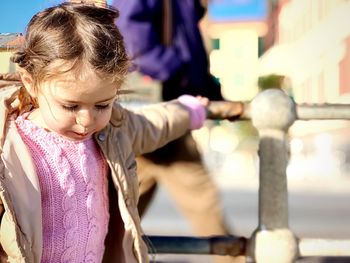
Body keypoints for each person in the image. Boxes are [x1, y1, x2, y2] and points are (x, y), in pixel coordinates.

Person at [0, 3, 216, 262]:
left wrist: (188, 111)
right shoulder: (8, 145)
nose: (87, 120)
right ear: (30, 83)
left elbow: (152, 124)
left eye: (102, 104)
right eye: (71, 106)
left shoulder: (112, 131)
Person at [112, 0, 234, 248]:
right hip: (162, 113)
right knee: (203, 203)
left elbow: (190, 56)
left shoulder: (183, 6)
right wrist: (178, 73)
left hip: (161, 112)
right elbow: (131, 35)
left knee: (121, 214)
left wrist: (213, 94)